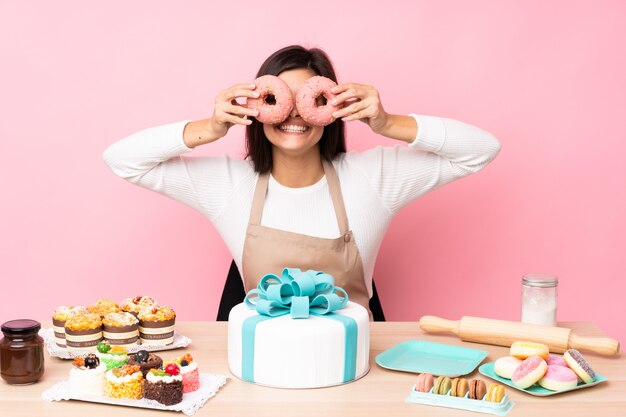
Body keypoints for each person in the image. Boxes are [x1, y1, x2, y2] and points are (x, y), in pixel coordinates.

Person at [103, 45, 501, 321]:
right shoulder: (228, 184)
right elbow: (122, 160)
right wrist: (210, 127)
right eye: (280, 100)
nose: (294, 113)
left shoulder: (373, 177)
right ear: (258, 109)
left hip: (354, 368)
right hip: (259, 369)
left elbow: (482, 149)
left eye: (308, 101)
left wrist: (387, 121)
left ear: (331, 108)